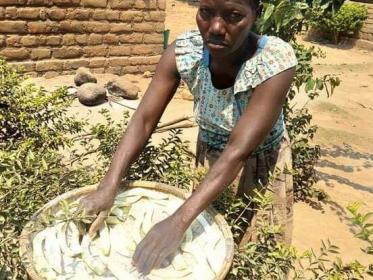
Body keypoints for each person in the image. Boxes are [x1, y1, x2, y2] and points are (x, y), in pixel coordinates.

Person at [81, 0, 297, 275]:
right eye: (206, 12)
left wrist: (177, 221)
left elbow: (238, 150)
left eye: (233, 16)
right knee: (205, 244)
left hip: (260, 162)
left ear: (257, 14)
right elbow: (145, 119)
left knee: (257, 250)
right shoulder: (185, 52)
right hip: (211, 156)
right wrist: (109, 184)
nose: (216, 28)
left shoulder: (273, 60)